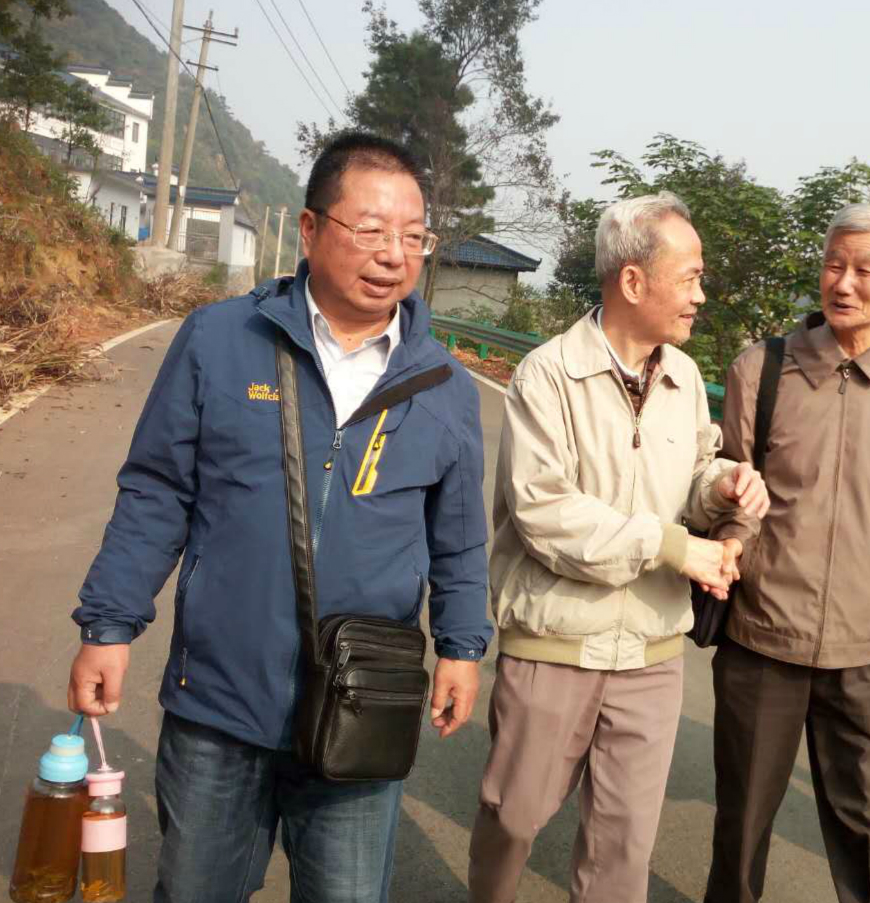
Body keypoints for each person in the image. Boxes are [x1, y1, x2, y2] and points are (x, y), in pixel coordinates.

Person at [66, 131, 492, 903]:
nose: (393, 255)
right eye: (370, 230)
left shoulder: (445, 388)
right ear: (309, 228)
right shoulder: (221, 340)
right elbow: (157, 491)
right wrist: (108, 624)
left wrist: (461, 647)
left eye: (412, 236)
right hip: (219, 701)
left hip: (362, 702)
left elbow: (459, 540)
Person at [467, 191, 770, 903]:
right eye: (689, 277)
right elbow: (545, 512)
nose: (700, 295)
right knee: (512, 819)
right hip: (555, 642)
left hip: (651, 651)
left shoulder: (684, 378)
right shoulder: (547, 374)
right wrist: (673, 547)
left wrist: (722, 485)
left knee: (623, 847)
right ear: (633, 281)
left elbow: (692, 473)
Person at [704, 203, 870, 903]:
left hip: (865, 649)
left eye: (864, 269)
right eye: (833, 265)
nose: (843, 283)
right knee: (741, 827)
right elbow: (729, 492)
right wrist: (727, 543)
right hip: (761, 640)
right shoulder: (760, 370)